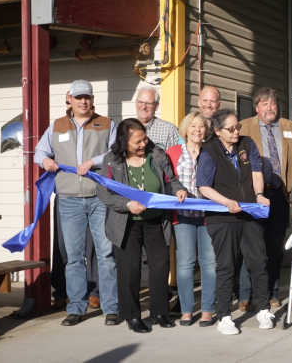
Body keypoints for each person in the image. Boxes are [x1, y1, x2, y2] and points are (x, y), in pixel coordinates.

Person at [34, 80, 118, 327]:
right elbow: (40, 152)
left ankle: (110, 307)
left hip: (99, 197)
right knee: (73, 257)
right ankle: (76, 307)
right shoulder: (57, 126)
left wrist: (93, 162)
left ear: (93, 99)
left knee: (106, 255)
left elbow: (115, 153)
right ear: (69, 98)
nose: (84, 102)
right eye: (79, 97)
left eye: (87, 97)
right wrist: (45, 162)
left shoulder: (106, 124)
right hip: (69, 199)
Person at [97, 118, 187, 333]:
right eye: (137, 141)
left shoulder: (156, 154)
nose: (143, 144)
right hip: (126, 223)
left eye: (145, 138)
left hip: (156, 220)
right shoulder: (111, 161)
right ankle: (132, 316)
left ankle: (159, 312)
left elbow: (170, 179)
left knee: (160, 266)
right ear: (124, 142)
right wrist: (127, 204)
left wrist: (178, 189)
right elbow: (104, 193)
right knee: (130, 271)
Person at [197, 109, 274, 335]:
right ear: (217, 131)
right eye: (230, 129)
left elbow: (257, 173)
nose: (236, 132)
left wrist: (259, 195)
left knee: (259, 260)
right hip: (222, 216)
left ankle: (263, 308)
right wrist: (226, 202)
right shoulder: (209, 151)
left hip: (249, 212)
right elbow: (204, 186)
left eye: (238, 127)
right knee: (227, 265)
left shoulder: (247, 144)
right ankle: (225, 317)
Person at [239, 87, 292, 308]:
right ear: (257, 107)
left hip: (281, 195)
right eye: (264, 104)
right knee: (253, 247)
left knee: (275, 247)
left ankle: (272, 292)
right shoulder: (244, 126)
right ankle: (247, 294)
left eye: (272, 103)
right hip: (255, 195)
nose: (269, 108)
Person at [166, 112, 217, 327]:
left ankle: (207, 309)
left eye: (202, 126)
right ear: (186, 128)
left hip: (208, 216)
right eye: (193, 126)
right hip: (183, 217)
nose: (198, 130)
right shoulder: (172, 152)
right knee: (185, 264)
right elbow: (167, 180)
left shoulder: (212, 151)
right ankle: (186, 310)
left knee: (210, 264)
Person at [135, 86, 180, 150]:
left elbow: (178, 157)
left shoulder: (169, 130)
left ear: (156, 106)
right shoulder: (127, 128)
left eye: (148, 103)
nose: (143, 107)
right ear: (136, 103)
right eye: (140, 102)